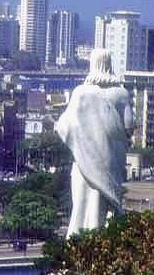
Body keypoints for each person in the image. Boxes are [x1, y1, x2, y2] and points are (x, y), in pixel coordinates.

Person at [55, 49, 134, 237]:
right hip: (110, 162)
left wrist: (85, 138)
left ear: (92, 64)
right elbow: (129, 126)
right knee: (104, 205)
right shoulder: (121, 94)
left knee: (81, 205)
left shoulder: (80, 92)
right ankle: (101, 244)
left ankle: (77, 244)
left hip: (84, 162)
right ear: (109, 65)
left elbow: (64, 126)